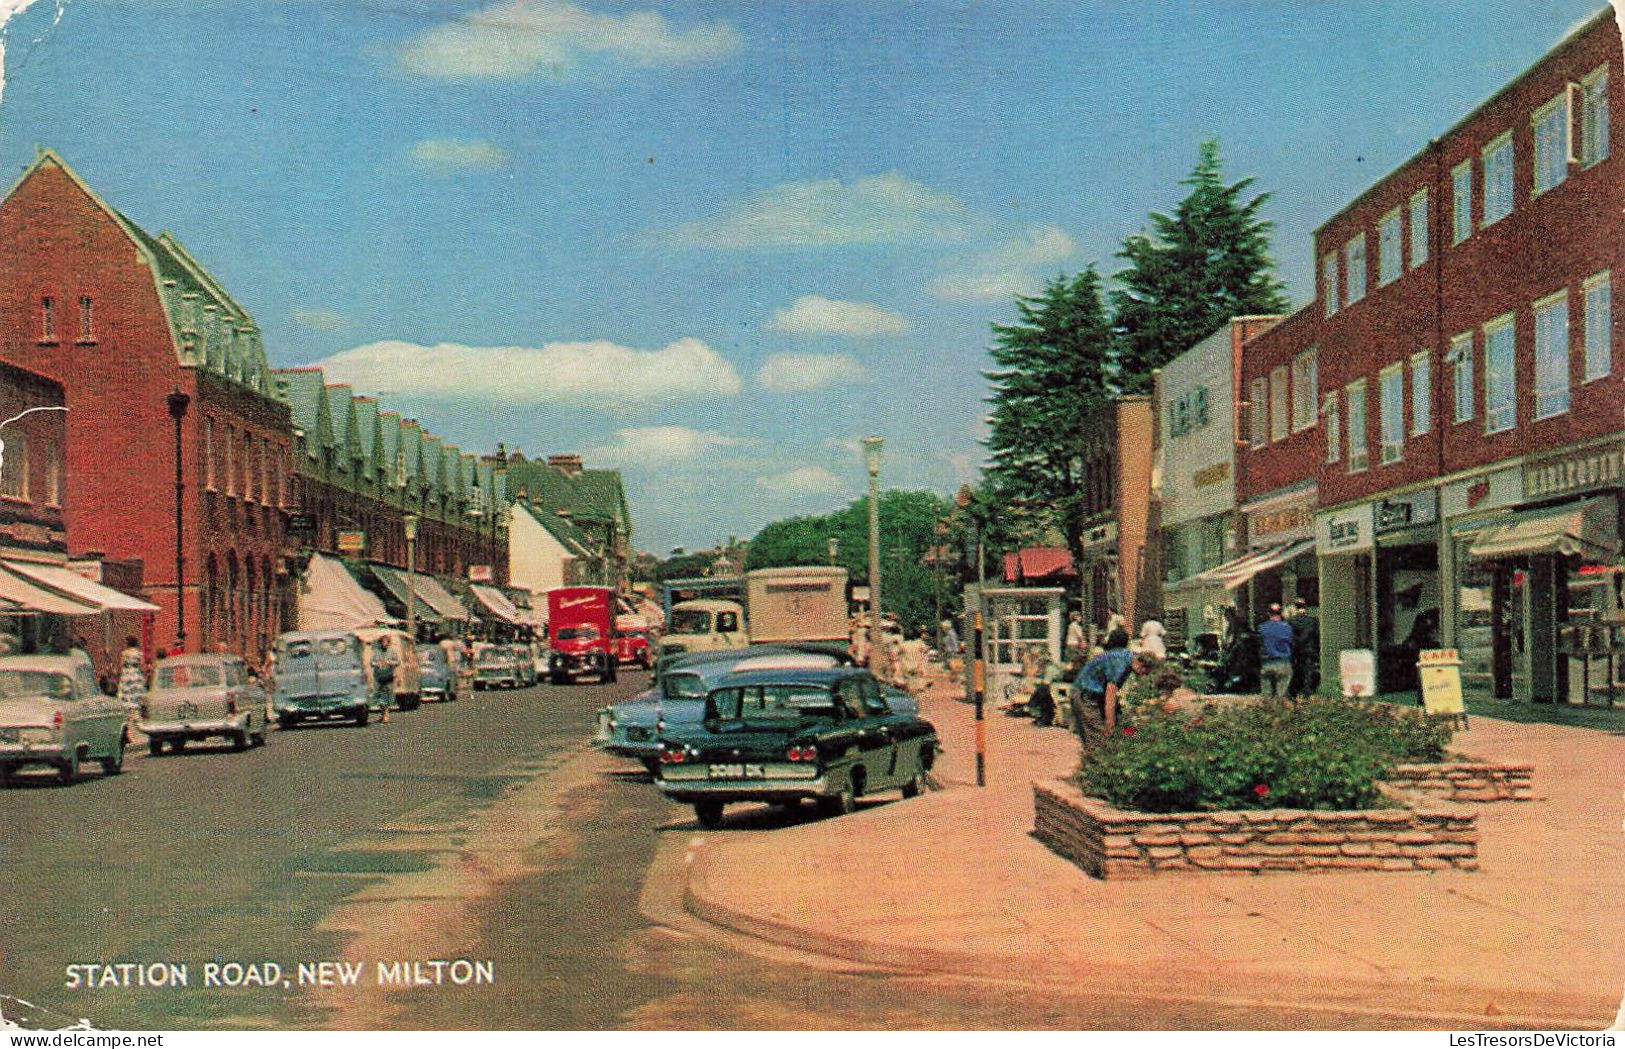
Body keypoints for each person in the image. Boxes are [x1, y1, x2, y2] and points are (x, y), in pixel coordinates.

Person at [1071, 627, 1136, 741]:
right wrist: (1109, 724)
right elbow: (1110, 694)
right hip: (1086, 697)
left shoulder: (1112, 655)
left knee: (1124, 727)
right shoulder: (1119, 660)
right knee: (1099, 740)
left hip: (1088, 693)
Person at [1258, 604, 1295, 699]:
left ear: (1268, 613)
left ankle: (1267, 712)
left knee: (1266, 697)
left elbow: (1259, 645)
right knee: (1281, 696)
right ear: (1281, 613)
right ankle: (1280, 711)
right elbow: (1292, 644)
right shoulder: (1288, 628)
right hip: (1283, 662)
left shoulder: (1262, 628)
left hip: (1267, 663)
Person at [1287, 599, 1321, 699]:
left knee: (1296, 671)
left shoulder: (1290, 621)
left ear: (1295, 607)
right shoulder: (1312, 621)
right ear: (1305, 607)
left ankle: (1293, 693)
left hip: (1295, 651)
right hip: (1309, 650)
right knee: (1308, 671)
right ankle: (1307, 692)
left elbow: (1289, 637)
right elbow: (1317, 636)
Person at [371, 637, 397, 724]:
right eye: (382, 642)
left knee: (387, 695)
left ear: (388, 643)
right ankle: (383, 714)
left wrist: (389, 663)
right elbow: (371, 662)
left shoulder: (392, 651)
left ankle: (386, 714)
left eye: (385, 642)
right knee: (379, 696)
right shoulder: (377, 652)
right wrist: (377, 664)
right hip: (379, 677)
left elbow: (397, 662)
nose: (384, 644)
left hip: (388, 676)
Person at [116, 636, 147, 705]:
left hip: (126, 674)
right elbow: (142, 665)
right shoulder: (139, 653)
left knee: (126, 695)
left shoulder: (124, 653)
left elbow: (120, 666)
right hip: (136, 674)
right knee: (136, 694)